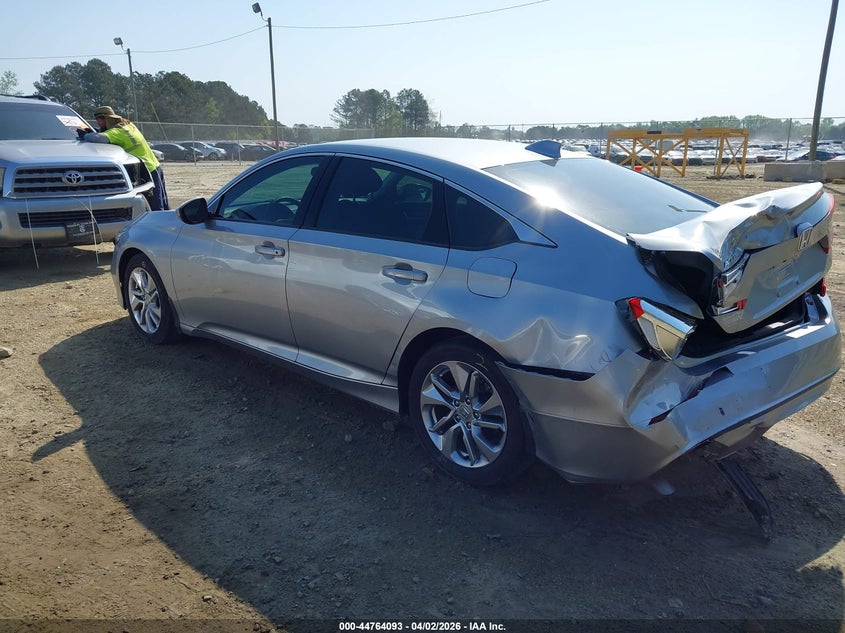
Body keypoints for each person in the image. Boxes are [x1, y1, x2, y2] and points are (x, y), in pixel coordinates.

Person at [78, 106, 169, 211]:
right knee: (163, 205)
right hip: (155, 167)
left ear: (106, 119)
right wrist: (97, 131)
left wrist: (86, 135)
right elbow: (110, 134)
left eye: (99, 120)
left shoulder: (117, 132)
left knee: (155, 207)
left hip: (147, 171)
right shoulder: (128, 125)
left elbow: (97, 138)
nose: (98, 123)